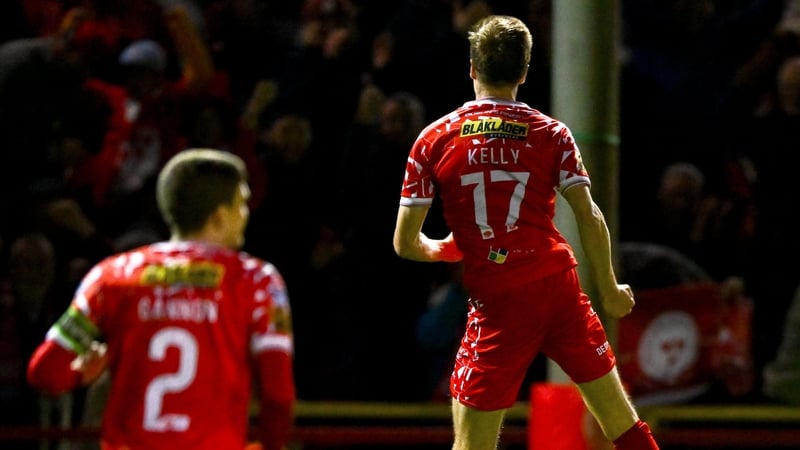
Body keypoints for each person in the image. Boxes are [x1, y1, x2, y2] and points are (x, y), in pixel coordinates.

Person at [392, 15, 659, 450]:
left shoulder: (433, 139)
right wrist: (608, 288)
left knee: (472, 441)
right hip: (559, 288)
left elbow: (405, 243)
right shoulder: (551, 133)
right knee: (621, 423)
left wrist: (447, 249)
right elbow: (589, 215)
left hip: (500, 299)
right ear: (524, 72)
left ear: (473, 69)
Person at [27, 148, 295, 450]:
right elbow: (277, 394)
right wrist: (270, 443)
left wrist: (80, 374)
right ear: (221, 215)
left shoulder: (112, 274)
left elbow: (45, 372)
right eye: (242, 204)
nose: (246, 215)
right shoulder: (255, 280)